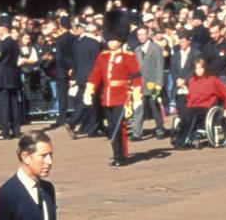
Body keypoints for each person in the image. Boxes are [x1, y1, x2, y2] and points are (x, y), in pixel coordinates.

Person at [83, 10, 143, 167]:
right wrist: (89, 91)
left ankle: (121, 156)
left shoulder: (128, 56)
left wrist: (137, 96)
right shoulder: (102, 57)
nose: (111, 42)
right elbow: (95, 75)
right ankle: (116, 154)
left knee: (119, 126)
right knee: (110, 127)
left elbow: (136, 77)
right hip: (107, 96)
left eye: (114, 39)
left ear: (120, 39)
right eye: (109, 39)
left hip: (122, 96)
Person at [172, 59, 226, 147]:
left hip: (206, 106)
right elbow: (190, 96)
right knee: (185, 114)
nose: (199, 71)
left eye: (201, 68)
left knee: (191, 116)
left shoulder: (213, 80)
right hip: (192, 106)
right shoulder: (192, 80)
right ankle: (179, 136)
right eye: (197, 69)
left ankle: (184, 139)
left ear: (205, 68)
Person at [66, 22, 103, 138]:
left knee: (89, 102)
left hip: (81, 76)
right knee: (87, 101)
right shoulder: (95, 43)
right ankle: (73, 122)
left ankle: (92, 128)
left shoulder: (78, 43)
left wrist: (74, 77)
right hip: (91, 76)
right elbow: (96, 63)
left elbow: (75, 62)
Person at [131, 27, 168, 140]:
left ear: (148, 35)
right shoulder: (137, 49)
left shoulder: (155, 48)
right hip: (139, 85)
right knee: (138, 108)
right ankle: (137, 132)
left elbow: (159, 67)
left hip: (153, 84)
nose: (141, 37)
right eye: (139, 35)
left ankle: (160, 129)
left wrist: (159, 83)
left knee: (155, 107)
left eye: (143, 34)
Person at [0, 17, 22, 140]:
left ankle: (5, 132)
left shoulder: (2, 43)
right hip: (12, 75)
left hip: (1, 76)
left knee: (3, 105)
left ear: (3, 28)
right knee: (14, 104)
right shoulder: (15, 43)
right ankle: (16, 130)